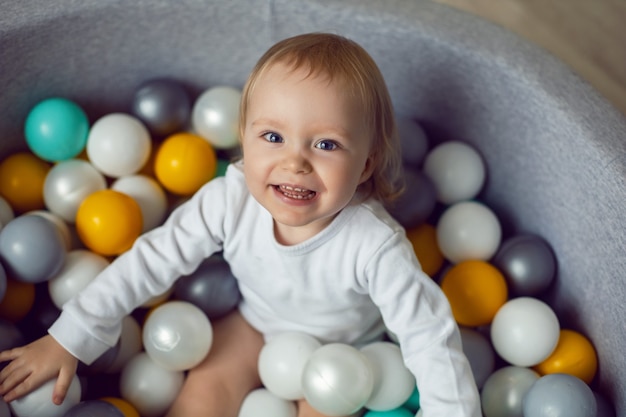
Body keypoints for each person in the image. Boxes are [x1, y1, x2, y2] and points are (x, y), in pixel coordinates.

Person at [0, 33, 481, 417]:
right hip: (255, 324)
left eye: (327, 145)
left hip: (343, 350)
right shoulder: (229, 199)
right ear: (244, 141)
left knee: (326, 403)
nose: (295, 163)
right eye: (273, 136)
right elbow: (150, 260)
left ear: (368, 163)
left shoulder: (374, 245)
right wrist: (69, 338)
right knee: (203, 394)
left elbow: (429, 336)